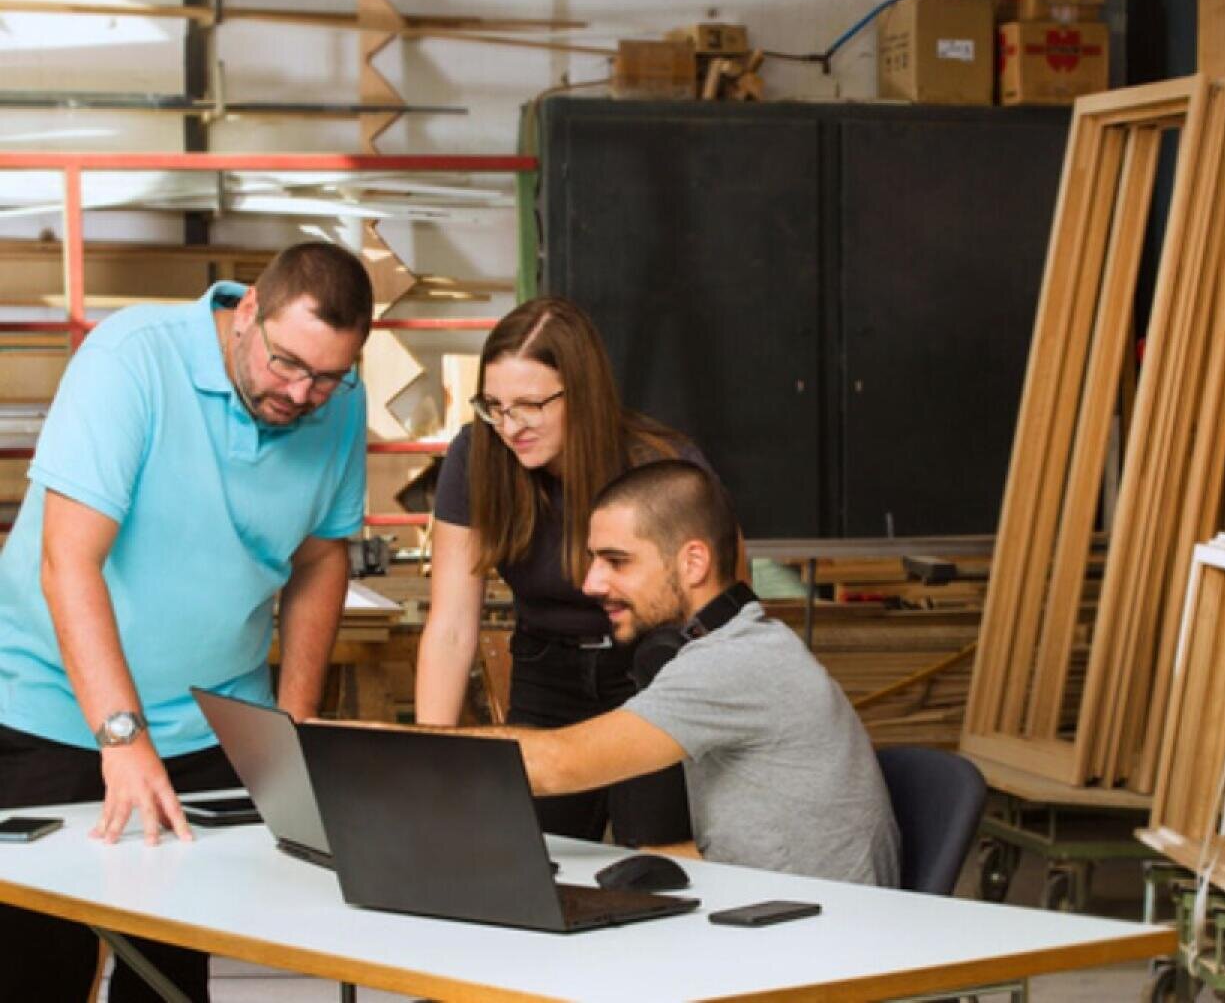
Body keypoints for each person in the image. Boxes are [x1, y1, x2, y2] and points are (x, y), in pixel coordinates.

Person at [0, 242, 372, 1003]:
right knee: (35, 969)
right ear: (246, 315)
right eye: (287, 364)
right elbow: (69, 563)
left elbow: (321, 560)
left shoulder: (340, 397)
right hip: (49, 716)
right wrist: (124, 737)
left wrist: (292, 721)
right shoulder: (131, 360)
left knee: (169, 979)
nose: (303, 394)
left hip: (209, 725)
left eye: (328, 377)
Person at [451, 459, 899, 886]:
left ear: (693, 563)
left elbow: (555, 765)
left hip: (814, 937)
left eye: (616, 561)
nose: (590, 583)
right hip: (773, 906)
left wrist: (398, 750)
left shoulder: (732, 664)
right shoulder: (743, 642)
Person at [413, 297, 706, 848]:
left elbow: (723, 625)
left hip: (653, 677)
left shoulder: (663, 467)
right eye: (493, 406)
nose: (509, 426)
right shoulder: (478, 455)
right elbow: (451, 627)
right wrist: (434, 758)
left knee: (659, 862)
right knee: (530, 857)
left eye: (530, 405)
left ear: (583, 393)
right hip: (545, 674)